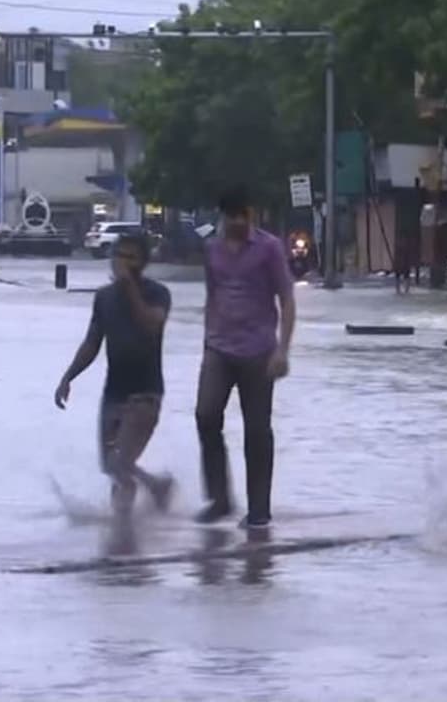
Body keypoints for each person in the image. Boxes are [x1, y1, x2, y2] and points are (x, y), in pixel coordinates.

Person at [194, 186, 296, 529]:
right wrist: (207, 339)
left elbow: (287, 299)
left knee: (257, 430)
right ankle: (219, 498)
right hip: (219, 347)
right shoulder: (211, 249)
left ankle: (259, 510)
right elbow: (212, 294)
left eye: (243, 215)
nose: (238, 222)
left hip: (259, 351)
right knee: (206, 415)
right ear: (222, 216)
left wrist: (283, 350)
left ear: (251, 214)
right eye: (231, 215)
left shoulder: (269, 248)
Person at [55, 232, 175, 516]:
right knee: (111, 466)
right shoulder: (104, 298)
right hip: (114, 392)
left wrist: (130, 287)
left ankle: (138, 510)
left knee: (122, 462)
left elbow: (151, 325)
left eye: (131, 258)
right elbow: (92, 342)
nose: (123, 262)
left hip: (146, 393)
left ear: (143, 263)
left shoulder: (157, 293)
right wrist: (68, 377)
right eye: (119, 255)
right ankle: (122, 533)